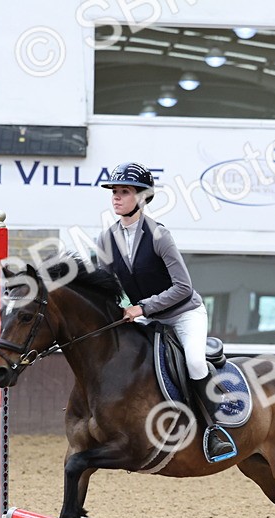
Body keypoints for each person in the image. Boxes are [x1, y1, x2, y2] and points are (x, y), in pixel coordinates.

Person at [96, 162, 237, 462]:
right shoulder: (106, 240)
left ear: (143, 197)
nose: (116, 197)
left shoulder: (159, 236)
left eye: (124, 192)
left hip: (184, 314)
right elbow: (106, 285)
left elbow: (183, 287)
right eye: (114, 192)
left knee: (196, 363)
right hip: (146, 317)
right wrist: (115, 308)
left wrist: (142, 307)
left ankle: (216, 430)